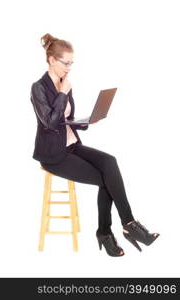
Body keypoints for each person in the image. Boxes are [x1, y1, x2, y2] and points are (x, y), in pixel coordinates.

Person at [30, 33, 160, 257]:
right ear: (52, 60)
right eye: (66, 63)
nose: (69, 68)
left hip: (71, 145)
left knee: (110, 162)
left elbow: (64, 119)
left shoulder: (65, 84)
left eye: (72, 63)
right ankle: (112, 230)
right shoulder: (39, 88)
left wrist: (86, 121)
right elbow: (50, 123)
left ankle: (121, 226)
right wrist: (62, 92)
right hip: (53, 154)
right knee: (107, 181)